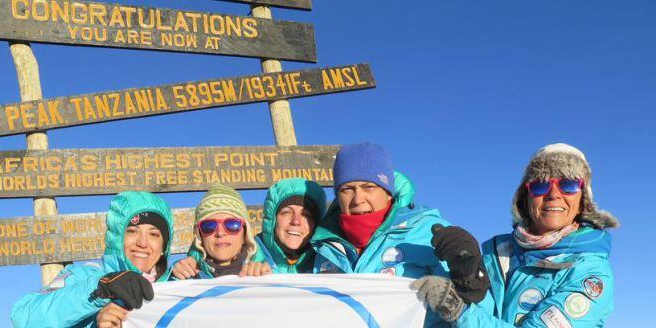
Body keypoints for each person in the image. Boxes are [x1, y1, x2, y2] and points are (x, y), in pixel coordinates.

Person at [413, 143, 618, 327]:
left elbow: (464, 314)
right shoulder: (495, 252)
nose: (554, 194)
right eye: (540, 185)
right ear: (525, 199)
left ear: (583, 199)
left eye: (568, 184)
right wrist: (463, 279)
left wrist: (458, 310)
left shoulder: (590, 273)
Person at [310, 142, 467, 327]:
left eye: (369, 187)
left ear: (388, 194)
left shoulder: (429, 233)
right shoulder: (322, 245)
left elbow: (479, 307)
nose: (358, 199)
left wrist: (458, 308)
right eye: (347, 189)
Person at [11, 191, 174, 328]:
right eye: (132, 231)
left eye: (154, 234)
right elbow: (23, 317)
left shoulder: (176, 287)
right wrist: (102, 288)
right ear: (117, 238)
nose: (142, 243)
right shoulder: (82, 276)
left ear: (163, 247)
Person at [168, 184, 263, 279]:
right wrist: (173, 276)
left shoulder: (266, 275)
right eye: (209, 226)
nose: (220, 233)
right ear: (199, 236)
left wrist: (267, 277)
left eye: (232, 224)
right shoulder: (183, 280)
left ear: (245, 234)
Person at [253, 178, 327, 274]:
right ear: (272, 220)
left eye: (306, 215)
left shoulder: (330, 263)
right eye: (286, 212)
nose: (296, 221)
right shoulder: (246, 257)